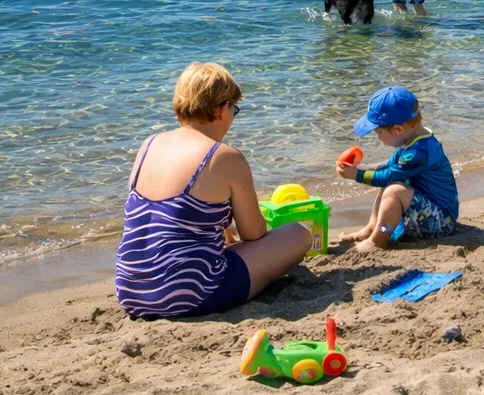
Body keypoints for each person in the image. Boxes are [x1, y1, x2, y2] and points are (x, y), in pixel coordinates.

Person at [115, 63, 310, 319]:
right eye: (234, 109)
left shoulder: (148, 144)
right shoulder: (224, 156)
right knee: (298, 234)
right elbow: (254, 233)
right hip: (191, 294)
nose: (232, 117)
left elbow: (174, 217)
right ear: (220, 109)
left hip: (130, 292)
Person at [335, 87, 458, 252]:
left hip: (442, 222)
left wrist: (356, 175)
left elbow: (387, 177)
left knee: (393, 190)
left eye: (378, 132)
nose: (378, 137)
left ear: (398, 130)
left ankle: (379, 238)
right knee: (388, 178)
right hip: (426, 212)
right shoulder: (415, 138)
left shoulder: (419, 152)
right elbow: (387, 169)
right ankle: (372, 228)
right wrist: (359, 168)